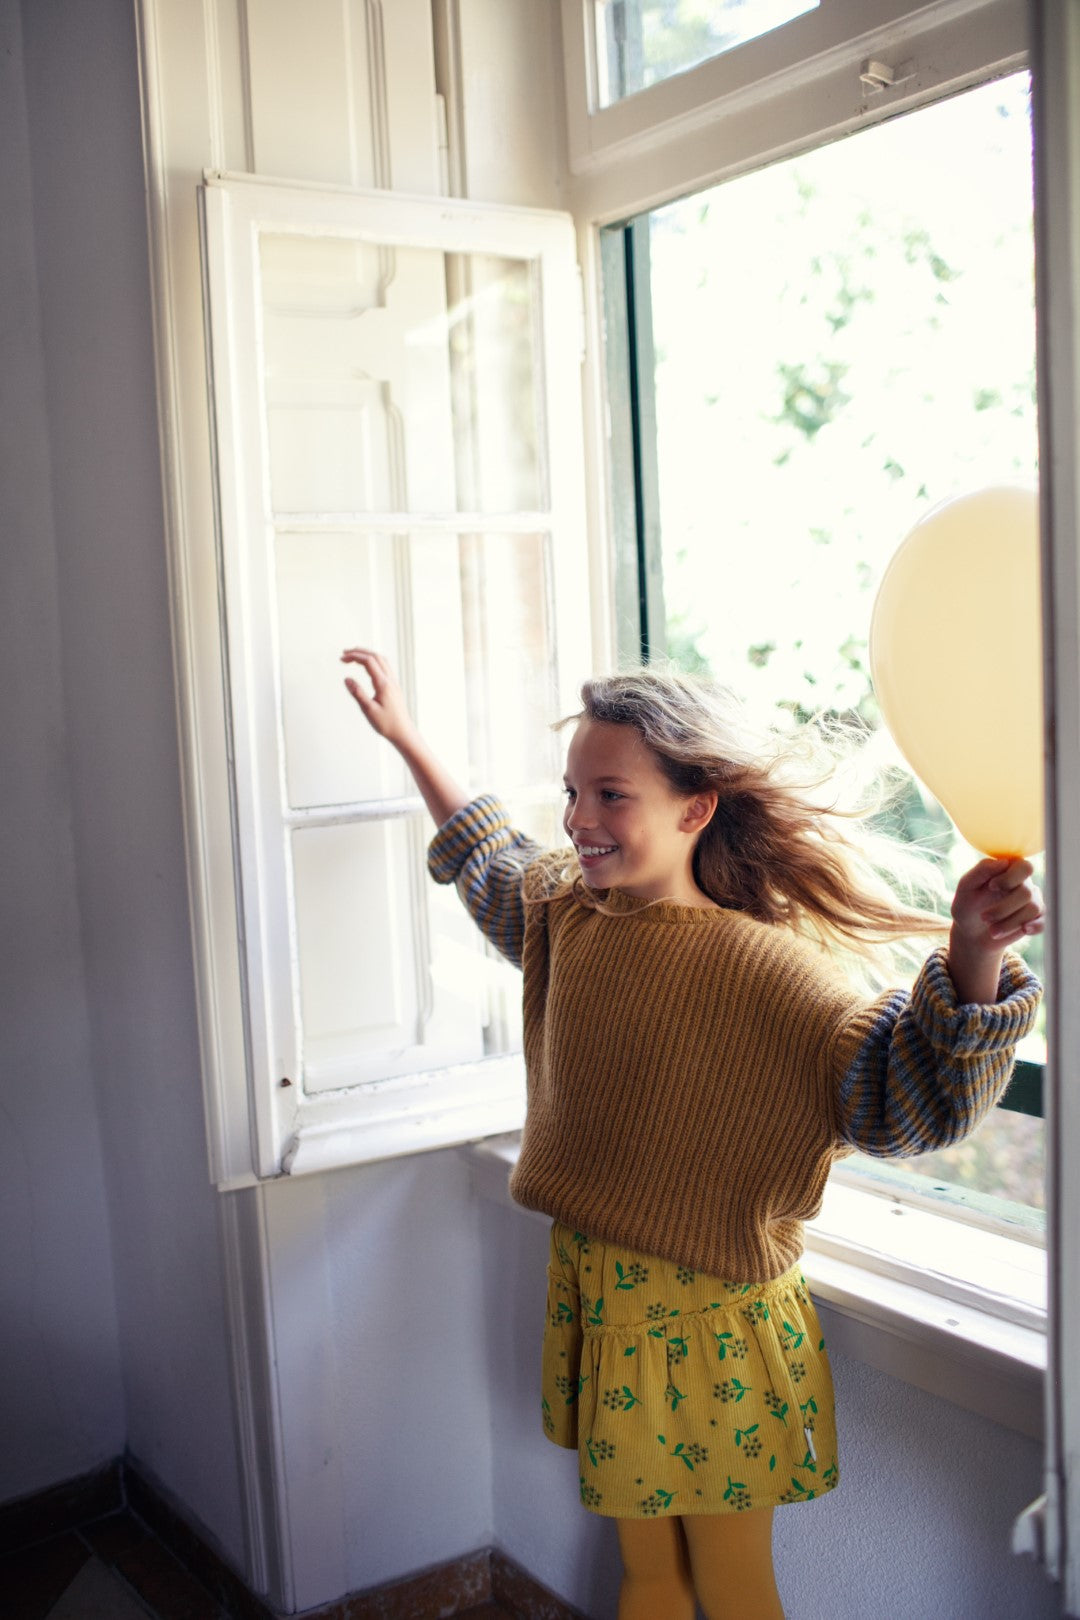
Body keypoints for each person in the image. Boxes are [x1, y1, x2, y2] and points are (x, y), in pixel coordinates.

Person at [341, 646, 1043, 1620]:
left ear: (695, 806)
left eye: (610, 794)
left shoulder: (777, 975)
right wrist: (409, 738)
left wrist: (973, 956)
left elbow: (904, 1099)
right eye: (572, 792)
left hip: (714, 1329)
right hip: (602, 1293)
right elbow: (490, 861)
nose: (580, 818)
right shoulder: (568, 917)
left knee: (732, 1580)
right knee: (649, 1576)